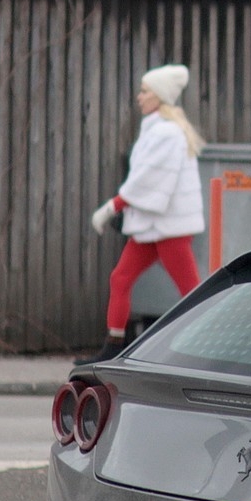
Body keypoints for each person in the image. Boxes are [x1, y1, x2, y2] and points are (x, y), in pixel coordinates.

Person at [91, 64, 205, 359]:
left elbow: (146, 179)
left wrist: (113, 206)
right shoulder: (158, 129)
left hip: (168, 228)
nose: (139, 97)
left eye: (144, 92)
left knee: (192, 292)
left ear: (158, 97)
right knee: (121, 279)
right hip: (154, 226)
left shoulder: (166, 133)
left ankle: (210, 348)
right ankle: (112, 347)